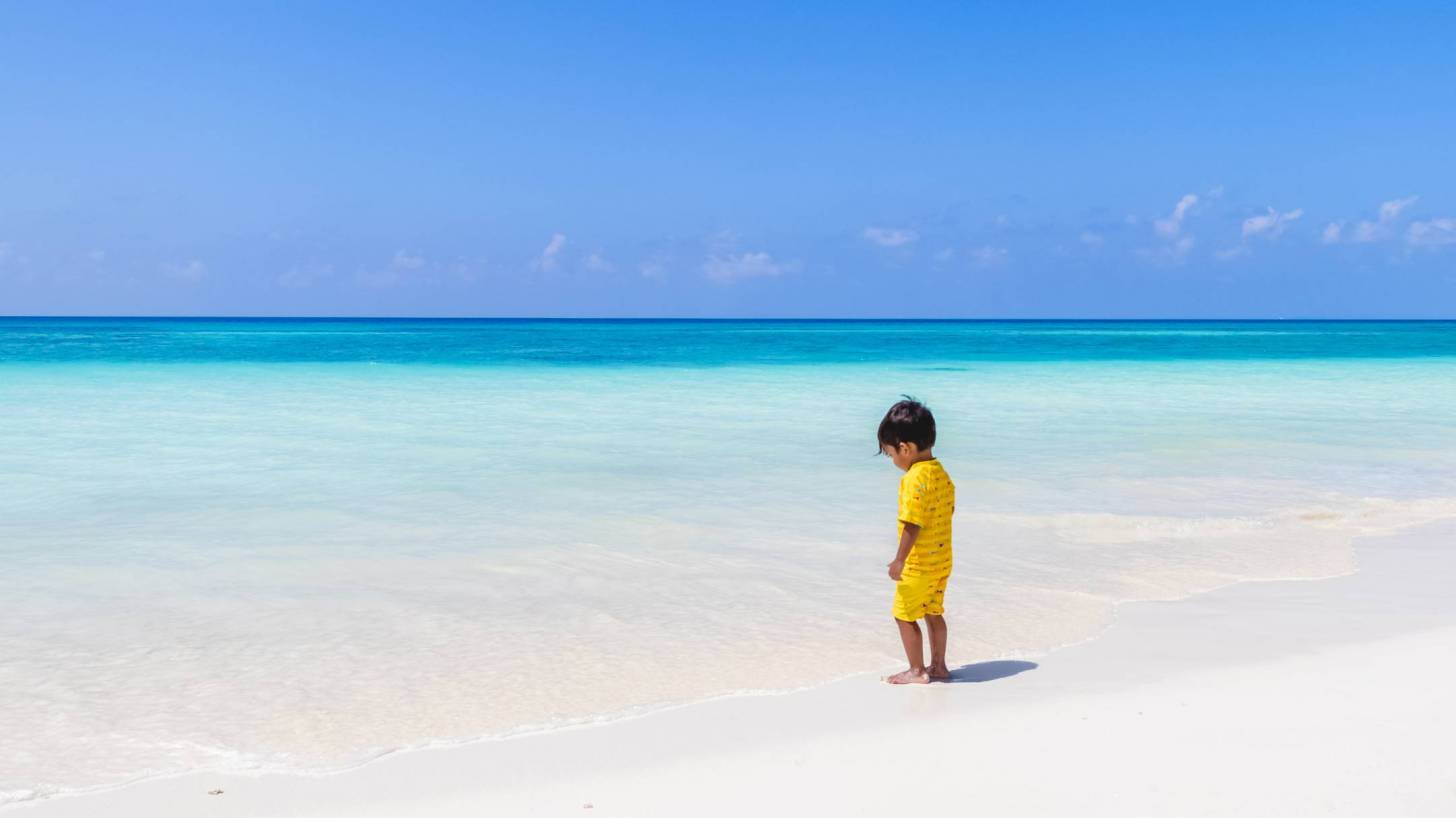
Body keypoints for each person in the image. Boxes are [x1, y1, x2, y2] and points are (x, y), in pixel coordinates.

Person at [877, 396, 956, 684]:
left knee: (904, 614)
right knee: (933, 612)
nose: (893, 460)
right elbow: (947, 512)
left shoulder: (913, 479)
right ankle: (939, 666)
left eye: (890, 454)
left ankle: (917, 670)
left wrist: (900, 560)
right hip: (942, 561)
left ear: (905, 448)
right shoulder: (941, 474)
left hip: (919, 563)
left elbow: (913, 523)